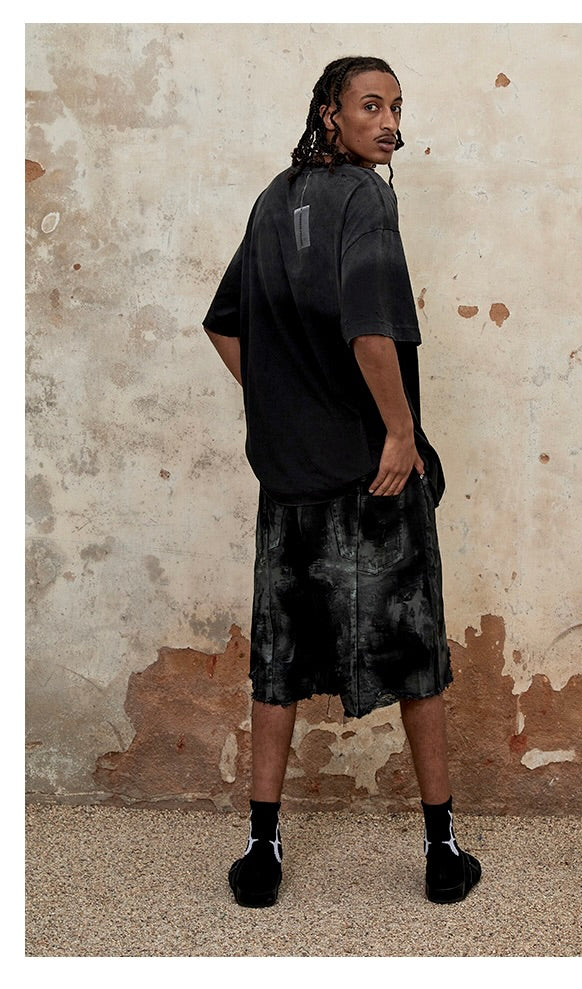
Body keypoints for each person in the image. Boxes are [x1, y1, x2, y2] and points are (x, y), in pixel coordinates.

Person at [202, 55, 481, 908]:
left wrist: (284, 403)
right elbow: (369, 328)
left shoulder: (271, 199)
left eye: (396, 107)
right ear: (330, 113)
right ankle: (441, 849)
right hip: (373, 472)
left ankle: (261, 852)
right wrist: (397, 430)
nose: (389, 122)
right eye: (370, 105)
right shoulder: (365, 197)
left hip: (289, 478)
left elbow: (223, 325)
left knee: (278, 661)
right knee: (416, 654)